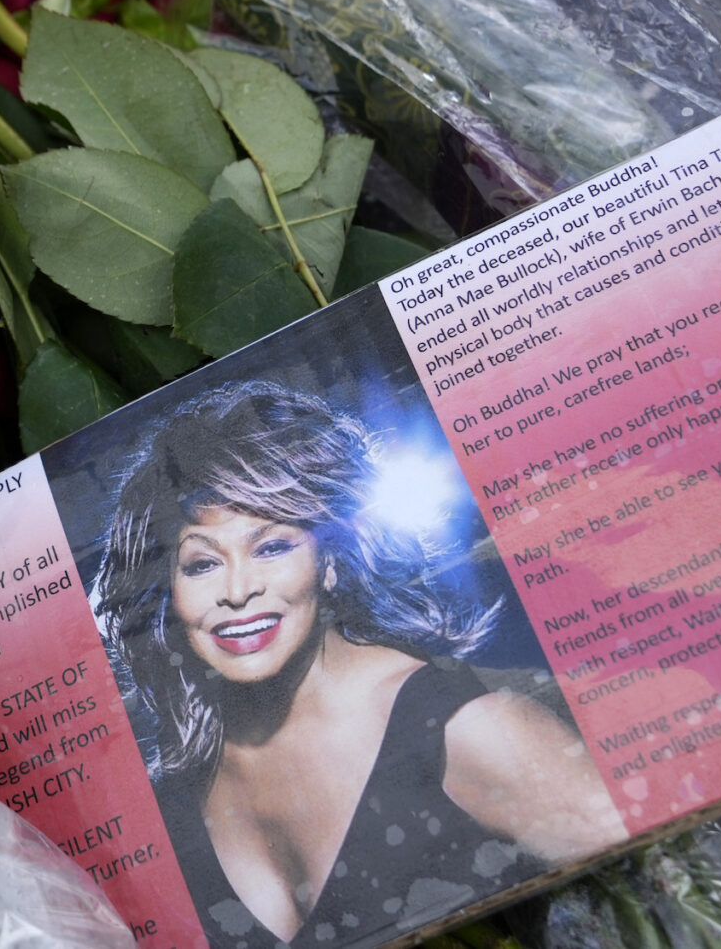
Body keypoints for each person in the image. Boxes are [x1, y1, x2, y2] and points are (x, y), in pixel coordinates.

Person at [92, 382, 624, 948]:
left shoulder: (475, 732)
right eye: (201, 564)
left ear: (331, 562)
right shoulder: (170, 798)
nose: (239, 591)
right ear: (168, 593)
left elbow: (665, 897)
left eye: (272, 547)